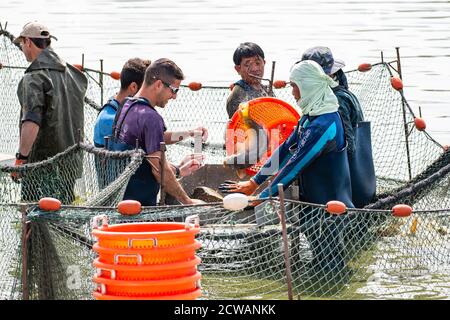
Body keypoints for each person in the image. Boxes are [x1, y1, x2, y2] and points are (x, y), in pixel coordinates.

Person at [221, 60, 354, 289]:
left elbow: (295, 164)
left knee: (330, 264)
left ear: (309, 86)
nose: (292, 92)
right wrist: (255, 182)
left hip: (330, 209)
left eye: (295, 86)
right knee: (319, 261)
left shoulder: (326, 123)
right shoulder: (310, 116)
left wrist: (263, 197)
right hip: (312, 203)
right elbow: (284, 150)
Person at [110, 58, 207, 206]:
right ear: (159, 84)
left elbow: (155, 137)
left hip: (119, 199)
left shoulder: (126, 105)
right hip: (140, 207)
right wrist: (188, 201)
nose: (174, 97)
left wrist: (190, 133)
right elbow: (160, 171)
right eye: (174, 90)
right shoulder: (151, 118)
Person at [13, 21, 88, 204]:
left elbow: (31, 122)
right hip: (71, 165)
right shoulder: (74, 74)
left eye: (21, 43)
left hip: (44, 168)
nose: (21, 48)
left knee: (35, 222)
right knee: (65, 218)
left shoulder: (34, 78)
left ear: (28, 42)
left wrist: (21, 159)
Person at [300, 46, 376, 208]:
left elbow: (348, 146)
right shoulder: (343, 93)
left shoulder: (335, 101)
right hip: (362, 178)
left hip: (345, 189)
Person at [93, 57, 150, 148]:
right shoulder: (110, 120)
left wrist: (180, 135)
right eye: (145, 89)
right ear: (133, 87)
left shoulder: (118, 105)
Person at [226, 42, 274, 119]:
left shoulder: (266, 90)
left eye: (257, 63)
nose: (254, 69)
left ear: (264, 63)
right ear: (238, 69)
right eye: (247, 65)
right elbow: (236, 125)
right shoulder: (238, 94)